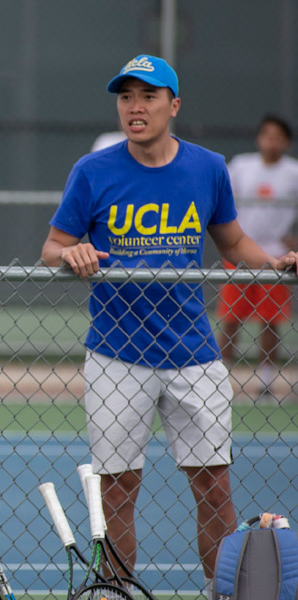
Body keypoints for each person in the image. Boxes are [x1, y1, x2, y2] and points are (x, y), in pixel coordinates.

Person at [39, 55, 298, 592]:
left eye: (148, 96)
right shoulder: (93, 171)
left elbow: (230, 241)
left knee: (214, 489)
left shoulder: (207, 167)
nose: (136, 107)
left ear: (173, 105)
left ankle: (220, 591)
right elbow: (52, 248)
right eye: (126, 97)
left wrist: (271, 264)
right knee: (117, 490)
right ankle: (118, 594)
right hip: (115, 354)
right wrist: (73, 253)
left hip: (194, 354)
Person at [217, 115, 298, 396]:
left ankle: (265, 379)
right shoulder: (240, 165)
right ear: (258, 138)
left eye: (277, 136)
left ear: (286, 142)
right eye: (266, 135)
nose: (271, 141)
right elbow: (219, 196)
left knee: (270, 320)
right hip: (239, 256)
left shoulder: (293, 173)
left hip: (275, 258)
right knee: (230, 318)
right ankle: (219, 377)